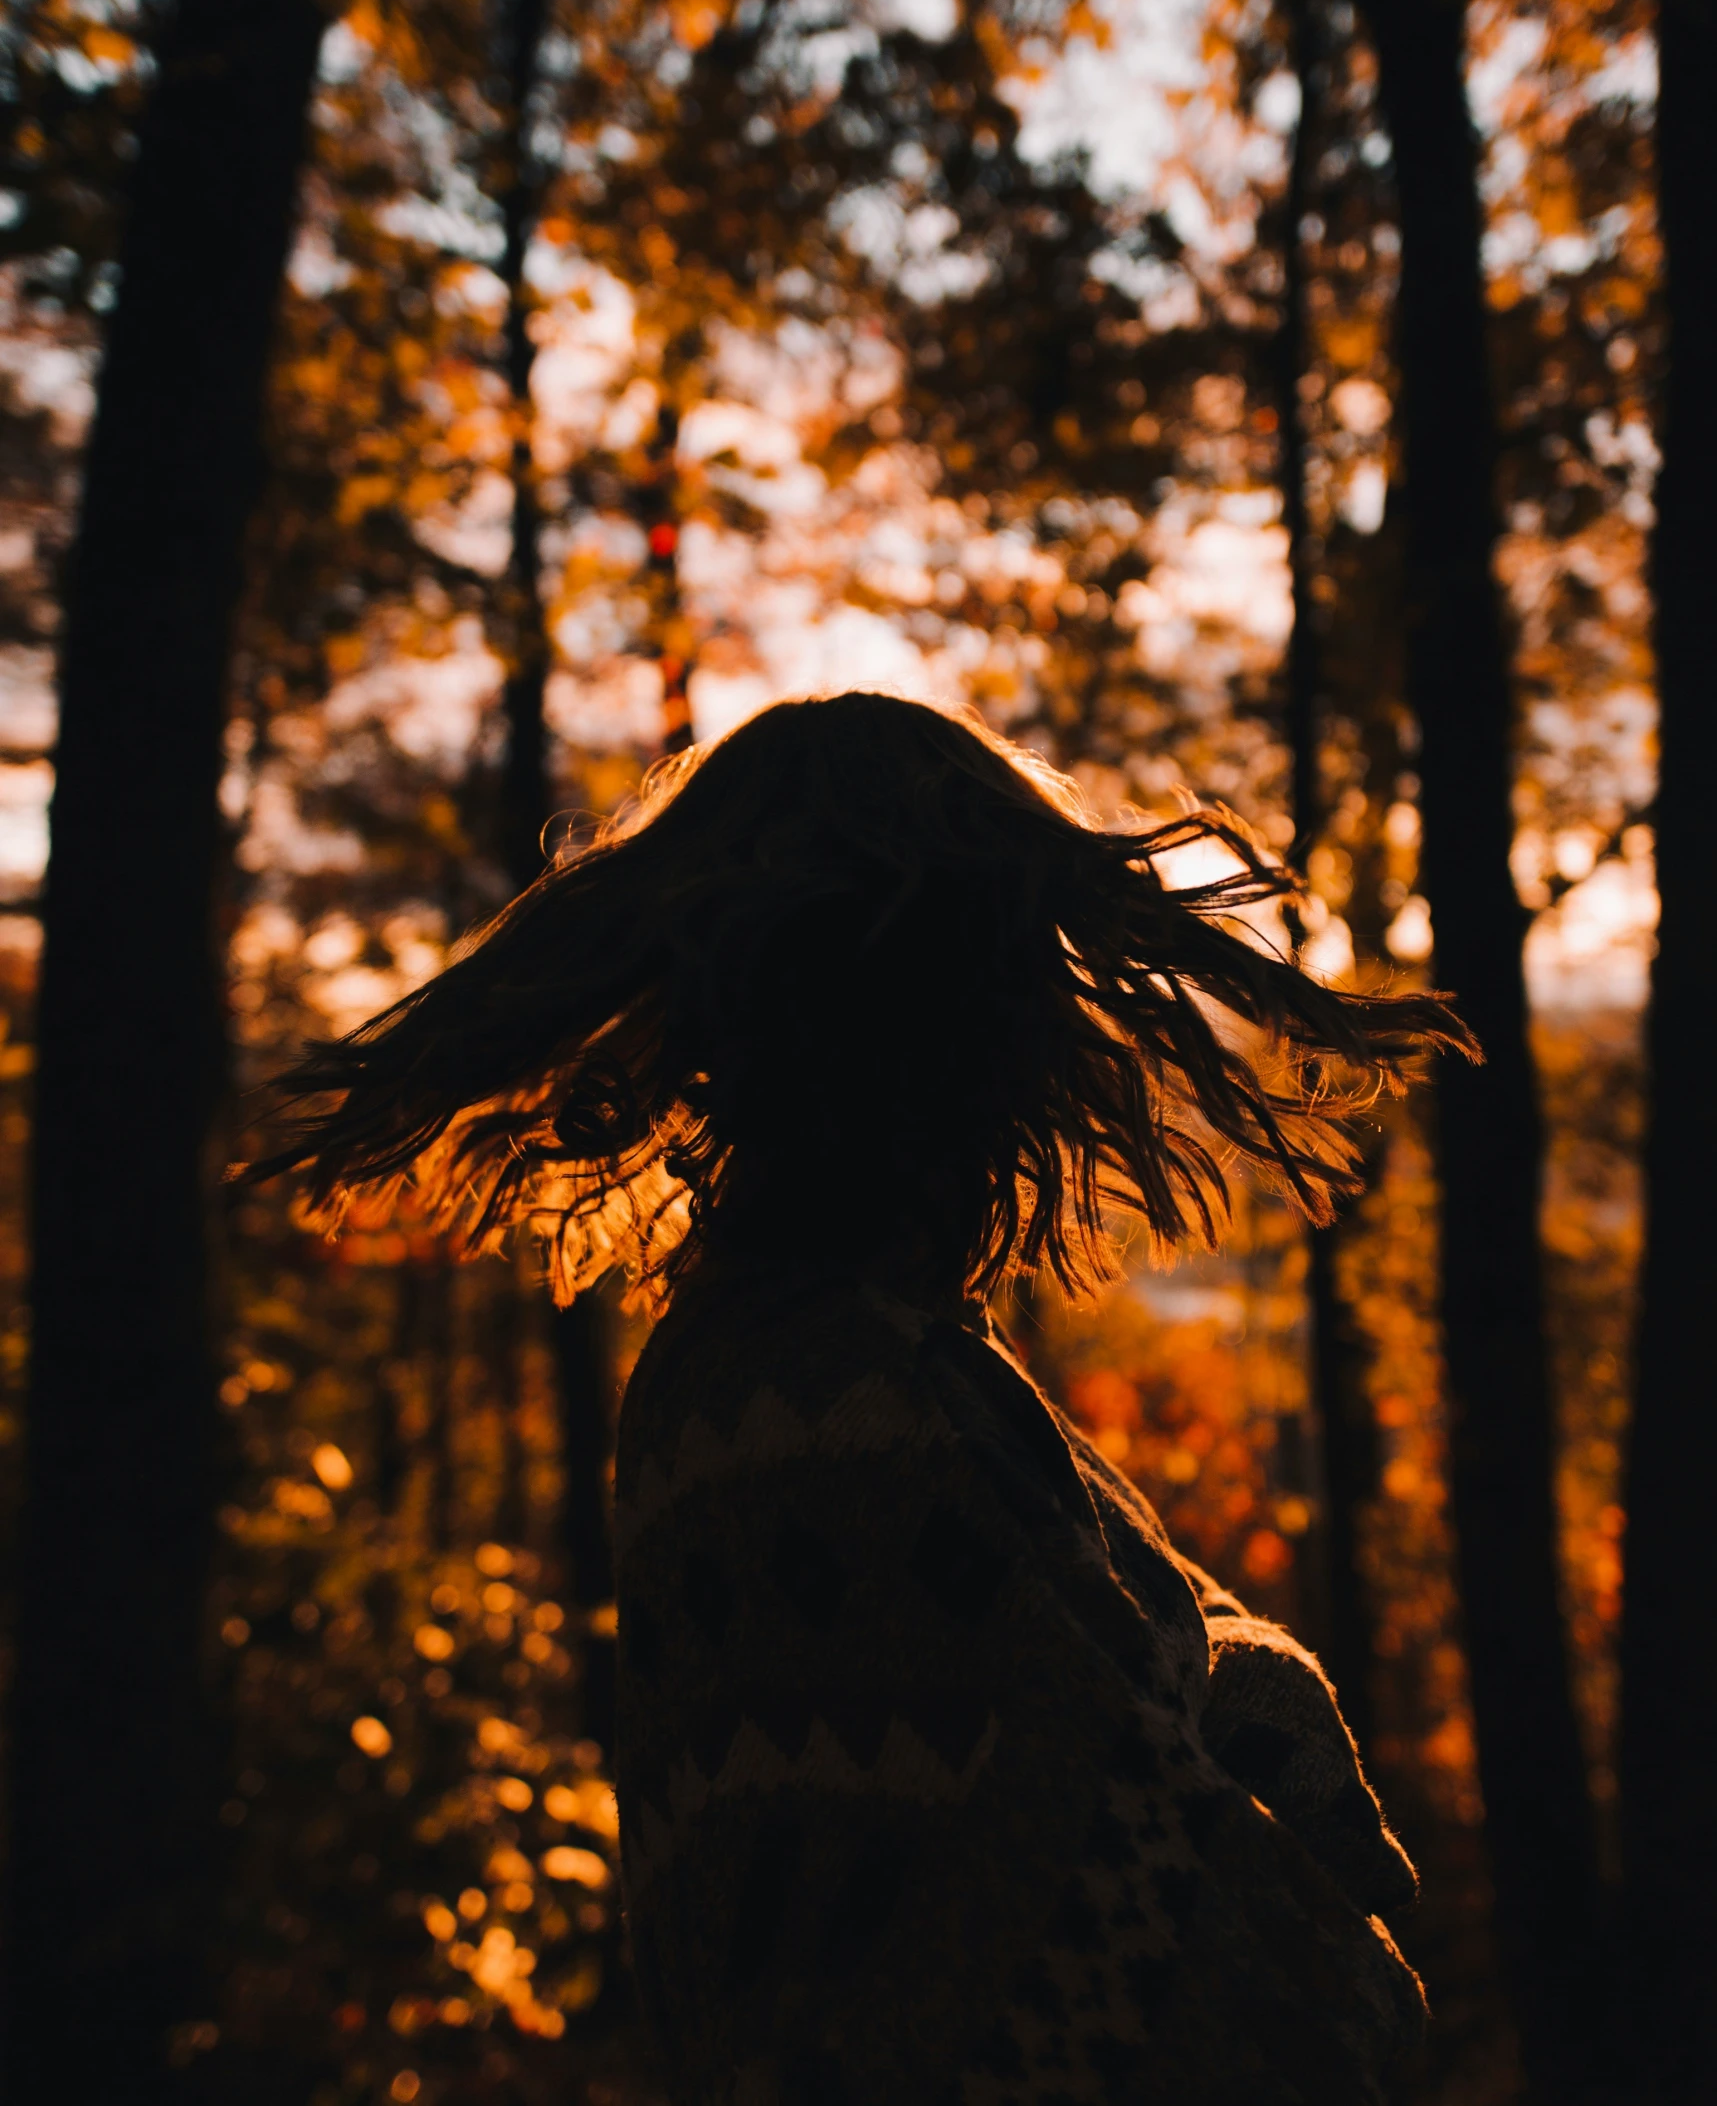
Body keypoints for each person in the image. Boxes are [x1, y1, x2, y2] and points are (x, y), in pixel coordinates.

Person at [248, 691, 1475, 2105]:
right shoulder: (853, 1399)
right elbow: (1279, 1992)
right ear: (968, 1044)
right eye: (1026, 997)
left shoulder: (753, 1368)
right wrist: (1279, 1736)